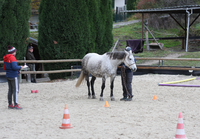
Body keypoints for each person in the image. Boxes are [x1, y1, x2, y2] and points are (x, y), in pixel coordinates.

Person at [3, 45, 23, 109]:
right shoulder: (12, 58)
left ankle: (10, 104)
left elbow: (4, 67)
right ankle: (16, 104)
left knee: (10, 90)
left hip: (8, 75)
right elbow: (14, 67)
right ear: (13, 52)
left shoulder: (5, 58)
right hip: (14, 75)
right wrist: (20, 67)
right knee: (16, 90)